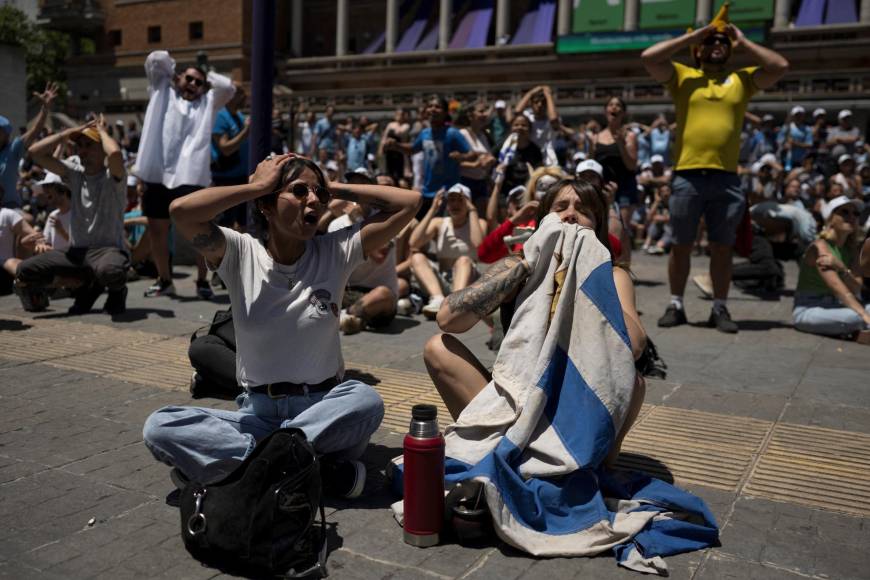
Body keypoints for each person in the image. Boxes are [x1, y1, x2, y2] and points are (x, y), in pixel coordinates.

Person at [142, 154, 421, 497]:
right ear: (267, 206)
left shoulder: (336, 250)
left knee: (365, 399)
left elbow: (409, 202)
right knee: (160, 426)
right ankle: (310, 471)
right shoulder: (239, 253)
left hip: (324, 414)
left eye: (319, 194)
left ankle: (248, 470)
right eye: (299, 191)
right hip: (256, 415)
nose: (314, 200)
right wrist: (256, 186)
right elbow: (181, 212)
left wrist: (333, 187)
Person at [423, 178, 647, 466]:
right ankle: (501, 449)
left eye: (583, 210)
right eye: (560, 207)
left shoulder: (613, 276)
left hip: (576, 403)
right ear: (543, 222)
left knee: (636, 383)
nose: (570, 215)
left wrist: (588, 280)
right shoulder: (516, 266)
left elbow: (636, 345)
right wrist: (527, 263)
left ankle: (592, 469)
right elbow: (449, 318)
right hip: (516, 397)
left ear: (597, 226)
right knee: (437, 348)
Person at [641, 21, 789, 333]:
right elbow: (649, 57)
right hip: (687, 176)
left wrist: (744, 42)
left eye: (722, 41)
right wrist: (694, 35)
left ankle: (719, 308)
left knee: (722, 247)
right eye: (710, 41)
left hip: (726, 178)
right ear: (698, 50)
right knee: (680, 244)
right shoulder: (683, 76)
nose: (717, 45)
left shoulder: (741, 80)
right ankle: (676, 304)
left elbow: (779, 66)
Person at [135, 50, 235, 299]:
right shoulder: (162, 91)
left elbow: (228, 87)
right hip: (156, 174)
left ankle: (202, 281)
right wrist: (174, 74)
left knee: (199, 231)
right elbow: (156, 59)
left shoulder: (207, 103)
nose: (193, 85)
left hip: (190, 177)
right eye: (189, 79)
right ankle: (164, 280)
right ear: (178, 78)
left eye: (199, 82)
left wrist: (206, 72)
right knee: (157, 231)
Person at [17, 118, 129, 314]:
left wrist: (101, 131)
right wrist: (67, 133)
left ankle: (117, 291)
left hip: (106, 250)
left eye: (89, 145)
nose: (82, 151)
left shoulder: (113, 177)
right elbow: (35, 152)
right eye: (79, 146)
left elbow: (116, 153)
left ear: (102, 148)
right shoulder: (75, 175)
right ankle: (88, 286)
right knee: (25, 270)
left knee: (110, 271)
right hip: (76, 253)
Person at [793, 196, 869, 343]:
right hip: (809, 309)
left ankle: (856, 332)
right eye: (845, 212)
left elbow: (856, 287)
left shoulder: (851, 250)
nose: (851, 217)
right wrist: (865, 315)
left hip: (837, 305)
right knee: (855, 317)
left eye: (855, 214)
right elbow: (838, 289)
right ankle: (859, 330)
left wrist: (841, 267)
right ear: (830, 218)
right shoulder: (819, 246)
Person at [383, 96, 475, 217]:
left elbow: (472, 155)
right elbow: (413, 149)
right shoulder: (424, 133)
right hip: (428, 191)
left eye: (437, 107)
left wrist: (462, 157)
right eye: (430, 106)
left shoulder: (453, 133)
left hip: (448, 192)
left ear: (446, 112)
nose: (432, 109)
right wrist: (396, 145)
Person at [410, 183, 487, 318]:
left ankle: (455, 304)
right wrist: (432, 210)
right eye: (451, 200)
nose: (455, 204)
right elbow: (414, 243)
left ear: (468, 203)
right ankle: (437, 298)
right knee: (417, 257)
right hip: (444, 281)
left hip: (469, 282)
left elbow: (479, 245)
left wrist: (473, 211)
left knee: (463, 260)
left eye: (460, 200)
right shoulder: (439, 223)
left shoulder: (479, 222)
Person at [591, 96, 638, 264]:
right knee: (602, 226)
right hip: (602, 188)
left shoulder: (629, 136)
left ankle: (624, 267)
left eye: (618, 105)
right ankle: (605, 263)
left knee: (622, 227)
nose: (614, 108)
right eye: (611, 105)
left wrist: (620, 144)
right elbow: (591, 164)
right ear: (606, 111)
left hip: (624, 187)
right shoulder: (596, 137)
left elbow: (632, 165)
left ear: (623, 113)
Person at [1, 83, 58, 210]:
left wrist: (44, 108)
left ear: (5, 134)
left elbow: (35, 130)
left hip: (9, 207)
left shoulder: (13, 149)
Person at [211, 81, 251, 231]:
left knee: (243, 223)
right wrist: (245, 132)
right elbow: (225, 148)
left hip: (241, 179)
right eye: (240, 92)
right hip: (225, 180)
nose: (245, 96)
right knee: (225, 225)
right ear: (229, 96)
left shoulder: (239, 115)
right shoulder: (220, 116)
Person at [457, 102, 496, 212]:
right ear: (470, 115)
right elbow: (455, 162)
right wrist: (475, 164)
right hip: (465, 182)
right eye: (481, 111)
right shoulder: (462, 134)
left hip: (482, 183)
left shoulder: (483, 136)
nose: (485, 115)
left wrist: (490, 161)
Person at [497, 114, 544, 194]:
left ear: (529, 129)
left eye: (524, 125)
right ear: (511, 128)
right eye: (516, 125)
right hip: (505, 192)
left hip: (527, 191)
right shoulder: (502, 148)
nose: (520, 127)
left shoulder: (536, 150)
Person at [513, 85, 559, 166]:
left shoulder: (550, 119)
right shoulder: (528, 116)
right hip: (529, 159)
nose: (540, 105)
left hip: (548, 161)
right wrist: (530, 93)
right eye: (536, 102)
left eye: (543, 102)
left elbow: (553, 119)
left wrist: (548, 95)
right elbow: (517, 112)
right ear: (531, 104)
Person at [37, 172, 72, 252]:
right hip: (55, 261)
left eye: (49, 186)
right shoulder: (52, 215)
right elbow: (47, 243)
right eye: (44, 186)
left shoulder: (78, 214)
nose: (45, 191)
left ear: (63, 191)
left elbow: (80, 245)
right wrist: (41, 245)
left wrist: (61, 231)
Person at [379, 108, 410, 185]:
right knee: (390, 173)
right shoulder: (391, 124)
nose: (400, 116)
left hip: (400, 152)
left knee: (400, 175)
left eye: (402, 114)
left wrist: (392, 133)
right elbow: (384, 137)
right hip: (390, 152)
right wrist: (381, 148)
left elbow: (400, 132)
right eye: (398, 114)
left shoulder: (406, 125)